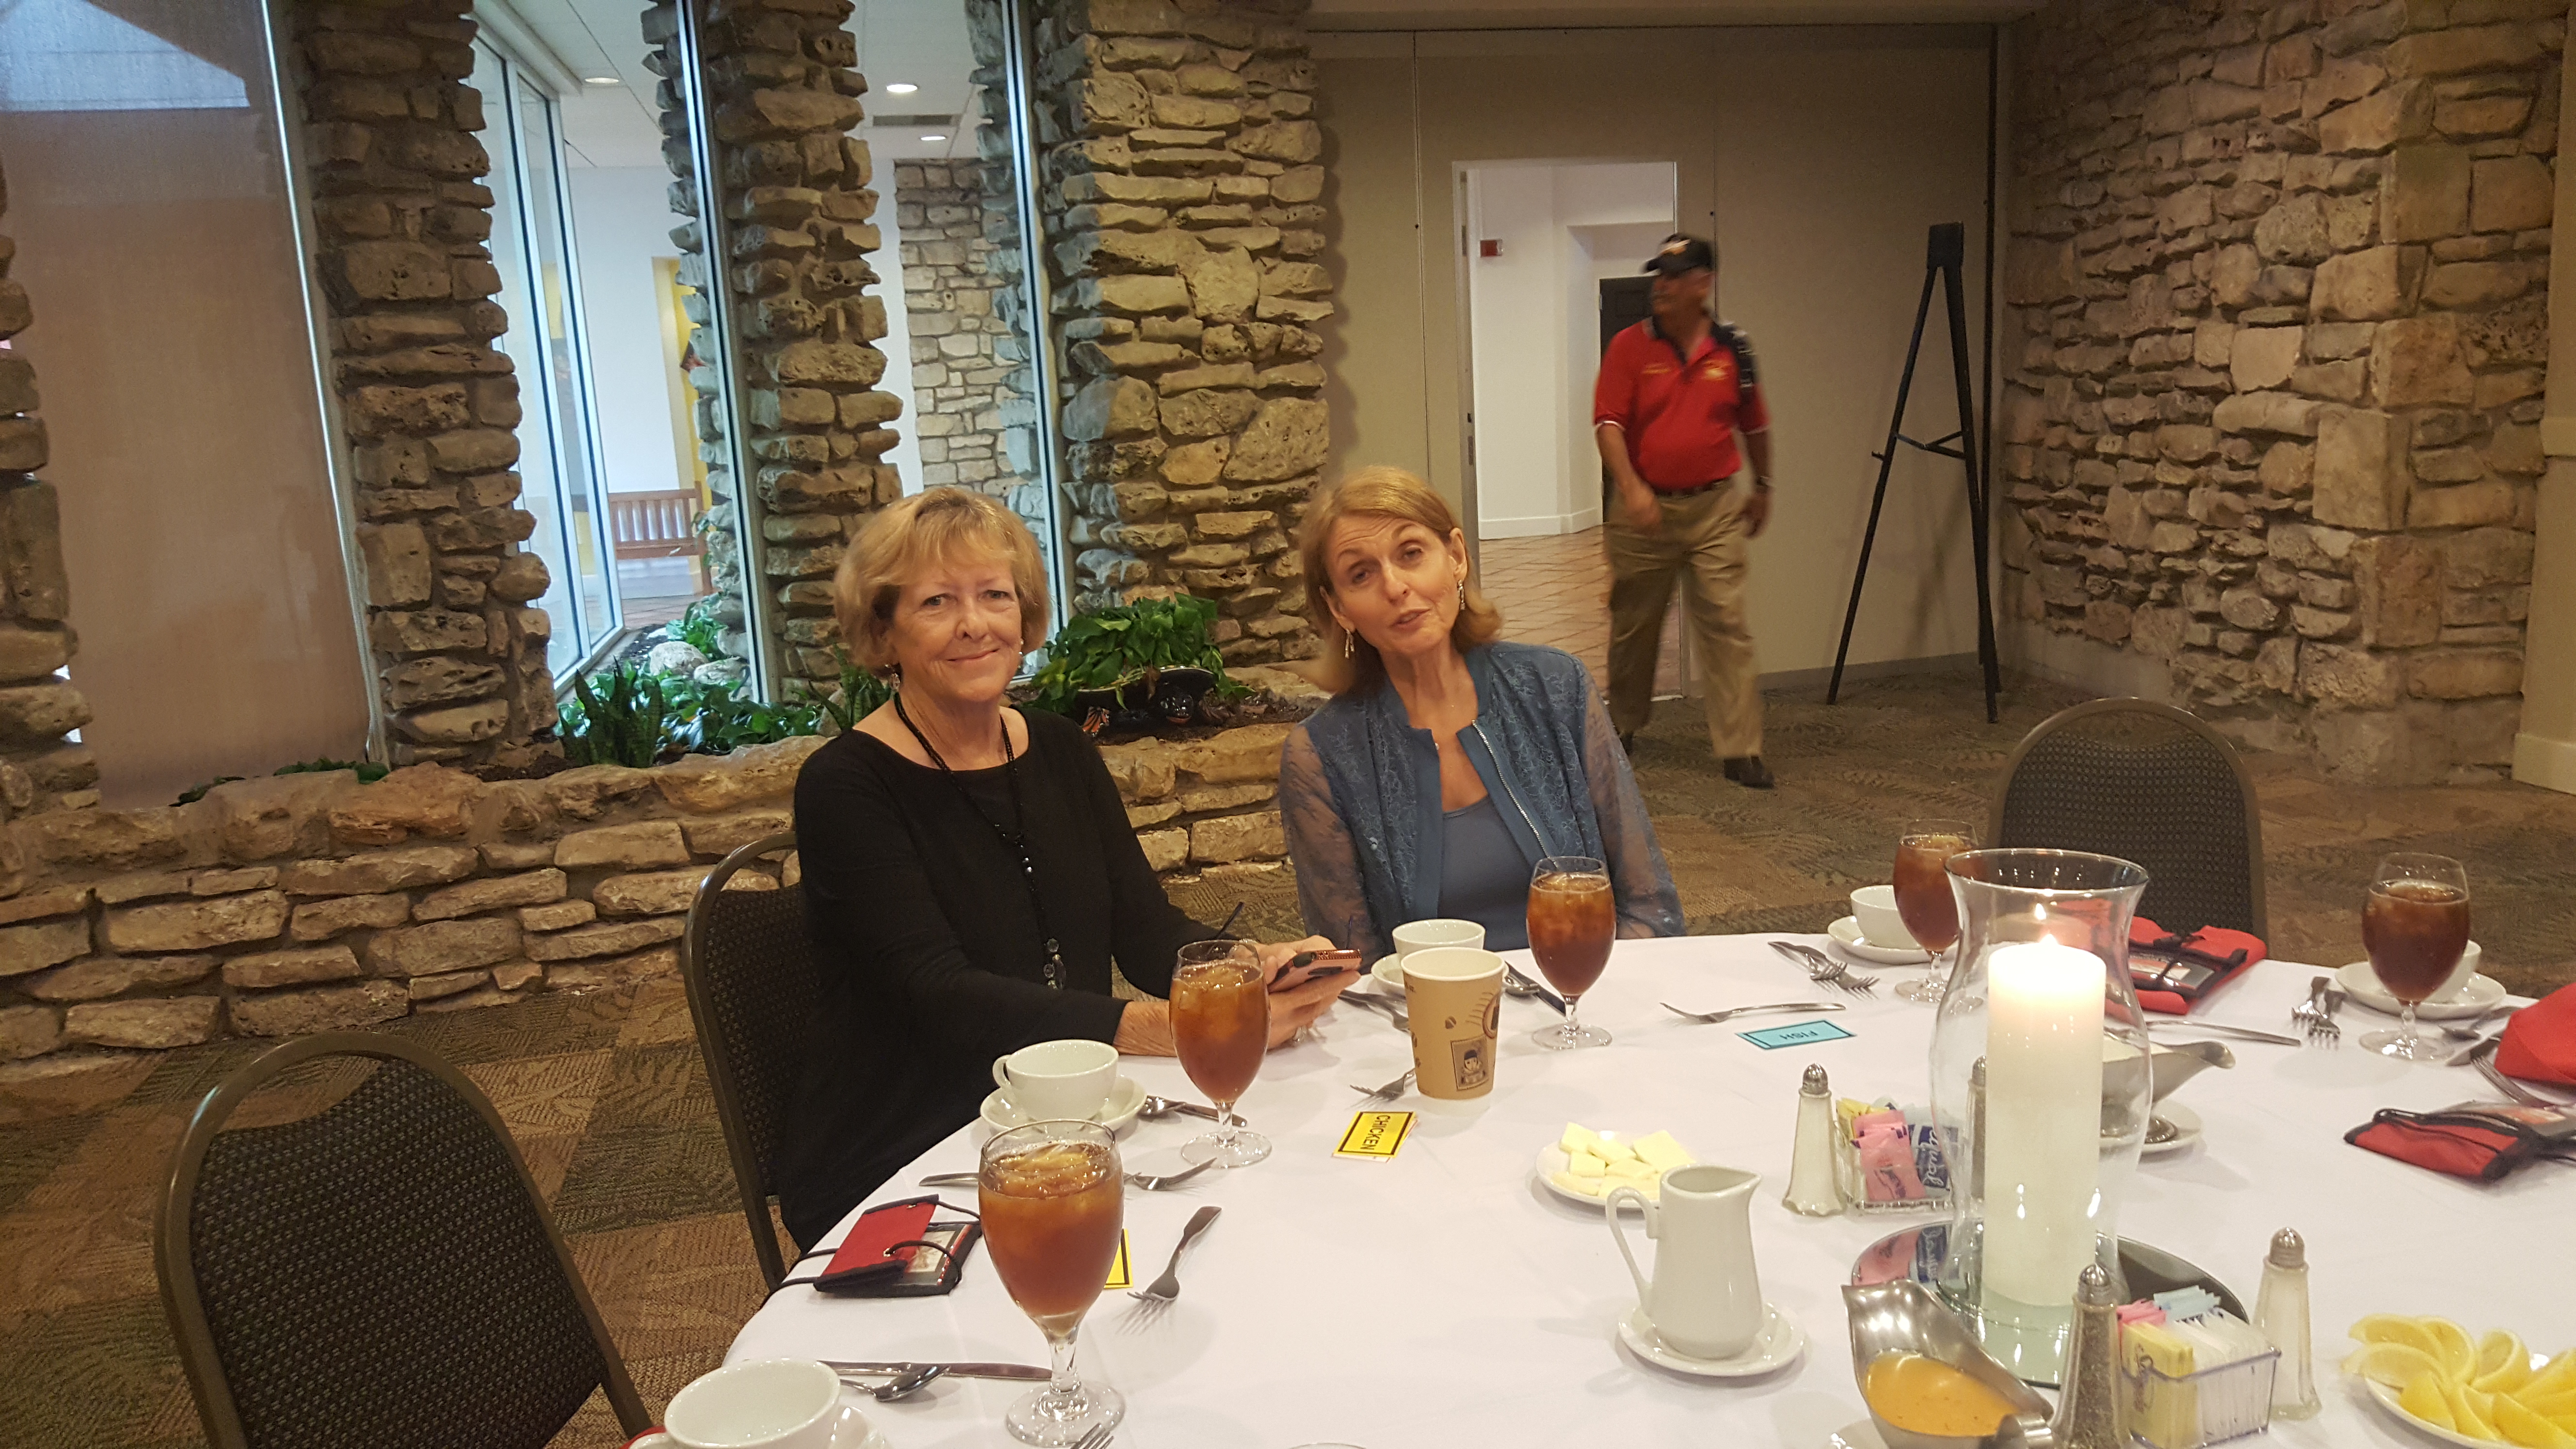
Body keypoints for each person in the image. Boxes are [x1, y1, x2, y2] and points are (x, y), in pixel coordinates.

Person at [778, 488, 1352, 1246]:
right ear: (883, 633)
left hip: (1068, 1117)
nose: (975, 623)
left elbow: (1145, 932)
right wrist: (1171, 1028)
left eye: (994, 595)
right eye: (937, 603)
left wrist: (1249, 968)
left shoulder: (1059, 749)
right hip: (908, 1144)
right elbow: (938, 995)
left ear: (1025, 617)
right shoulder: (846, 787)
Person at [1279, 466, 1685, 962]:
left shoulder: (1555, 688)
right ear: (1339, 607)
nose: (1395, 586)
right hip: (1424, 1008)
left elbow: (1650, 909)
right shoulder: (1322, 756)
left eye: (1411, 554)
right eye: (1361, 574)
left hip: (1581, 993)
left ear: (1455, 556)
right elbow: (1354, 970)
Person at [1594, 233, 1777, 789]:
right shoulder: (1629, 346)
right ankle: (1623, 723)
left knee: (1726, 622)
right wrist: (1631, 488)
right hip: (1643, 510)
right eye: (1659, 276)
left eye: (1674, 277)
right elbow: (1608, 425)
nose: (1662, 287)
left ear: (1703, 283)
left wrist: (1762, 485)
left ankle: (1740, 748)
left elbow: (1755, 424)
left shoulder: (1732, 349)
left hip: (1713, 507)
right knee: (1634, 624)